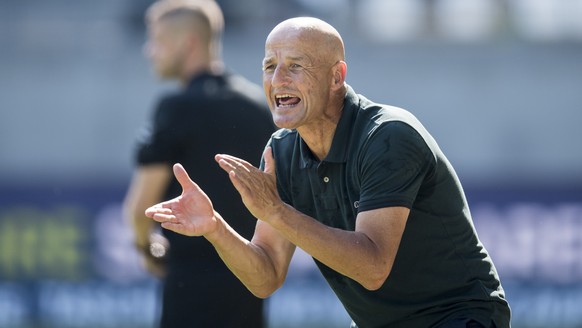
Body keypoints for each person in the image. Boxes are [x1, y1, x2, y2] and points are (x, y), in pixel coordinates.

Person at [145, 16, 512, 328]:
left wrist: (276, 210)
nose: (279, 80)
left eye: (296, 65)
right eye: (270, 66)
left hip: (459, 315)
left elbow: (372, 267)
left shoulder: (389, 135)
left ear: (337, 77)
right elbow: (266, 275)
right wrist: (215, 228)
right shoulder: (282, 149)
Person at [123, 0, 273, 327]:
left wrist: (147, 248)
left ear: (189, 42)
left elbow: (138, 210)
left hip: (188, 289)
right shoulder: (260, 109)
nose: (150, 51)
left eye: (158, 41)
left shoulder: (177, 107)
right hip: (249, 285)